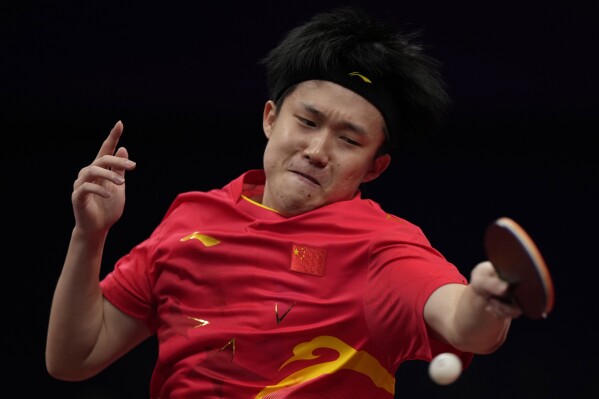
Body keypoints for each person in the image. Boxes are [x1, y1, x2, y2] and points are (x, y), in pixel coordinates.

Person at [46, 6, 522, 398]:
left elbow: (464, 325)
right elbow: (74, 358)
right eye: (308, 122)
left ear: (374, 168)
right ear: (271, 118)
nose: (317, 151)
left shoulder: (382, 248)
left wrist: (486, 300)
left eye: (349, 140)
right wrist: (89, 237)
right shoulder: (192, 218)